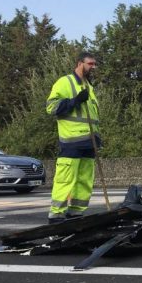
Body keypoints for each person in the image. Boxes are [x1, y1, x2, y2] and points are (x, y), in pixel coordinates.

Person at [45, 51, 101, 223]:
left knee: (85, 179)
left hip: (89, 141)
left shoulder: (89, 87)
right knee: (66, 178)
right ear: (79, 63)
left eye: (94, 64)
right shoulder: (65, 82)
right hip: (71, 141)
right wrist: (75, 100)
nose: (93, 67)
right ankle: (56, 213)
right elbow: (51, 108)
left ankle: (76, 210)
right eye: (90, 64)